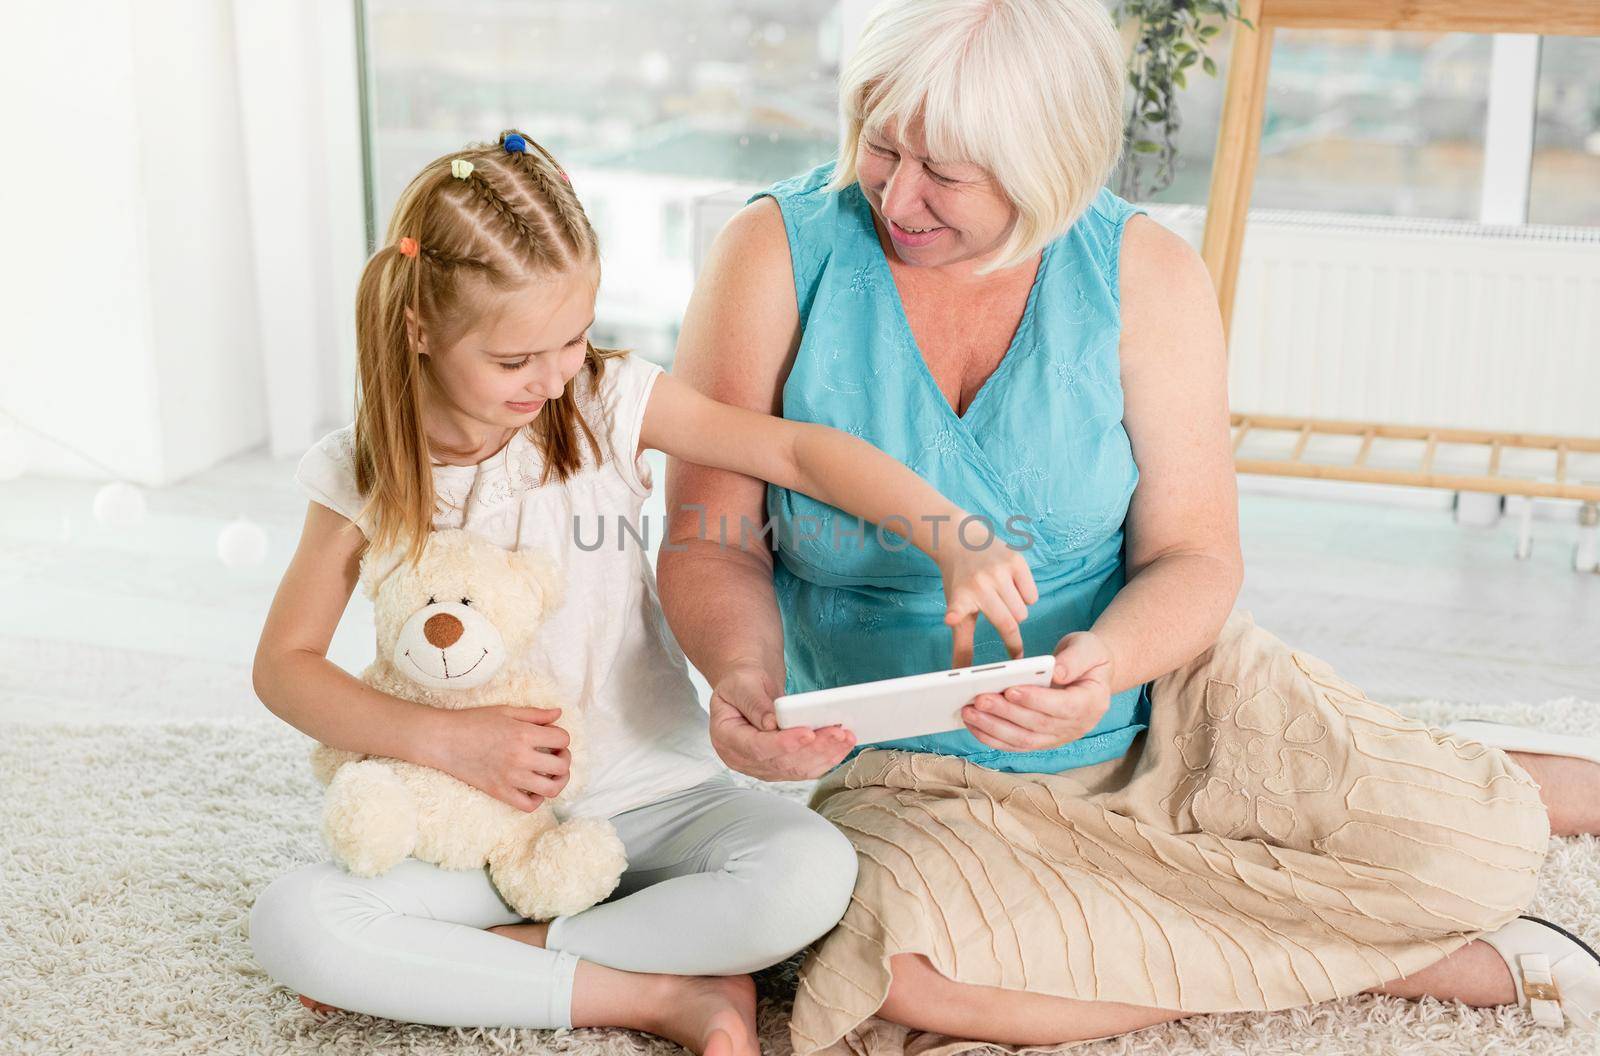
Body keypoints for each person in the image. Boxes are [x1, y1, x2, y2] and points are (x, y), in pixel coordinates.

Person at [655, 1, 1600, 1052]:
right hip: (907, 762)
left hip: (1156, 694)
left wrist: (1105, 664)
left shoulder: (1141, 272)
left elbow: (1194, 558)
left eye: (946, 173)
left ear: (1047, 160)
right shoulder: (776, 253)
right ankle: (1418, 958)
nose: (897, 194)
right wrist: (747, 678)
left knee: (1463, 848)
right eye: (880, 144)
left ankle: (1502, 789)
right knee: (895, 968)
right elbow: (708, 538)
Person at [247, 129, 1040, 1056]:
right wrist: (449, 741)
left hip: (654, 804)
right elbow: (284, 667)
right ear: (420, 327)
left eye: (574, 339)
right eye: (515, 361)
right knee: (294, 919)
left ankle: (517, 954)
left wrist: (950, 532)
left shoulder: (602, 405)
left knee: (808, 872)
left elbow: (791, 449)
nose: (550, 379)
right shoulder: (367, 470)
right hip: (473, 829)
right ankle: (656, 996)